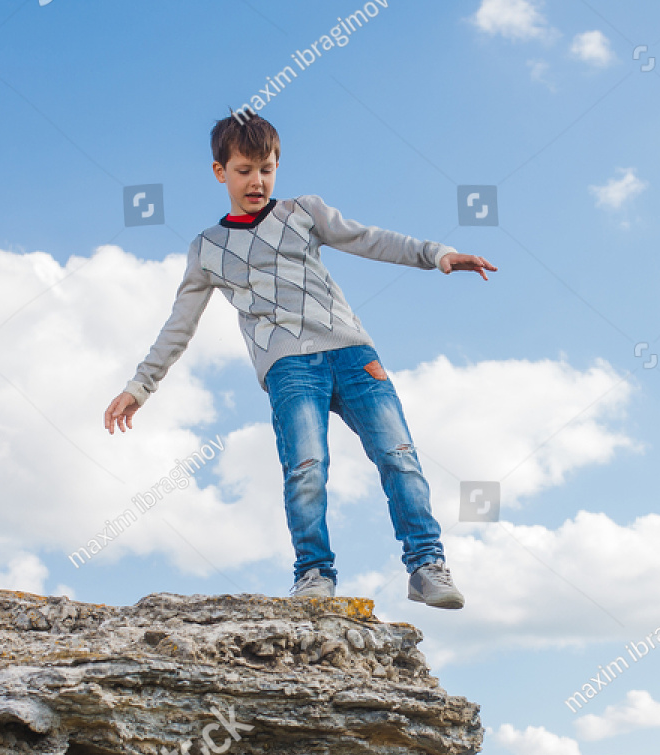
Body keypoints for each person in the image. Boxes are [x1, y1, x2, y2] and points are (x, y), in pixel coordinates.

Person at [104, 112, 495, 608]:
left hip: (353, 353)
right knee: (305, 468)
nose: (257, 181)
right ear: (219, 171)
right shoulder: (207, 249)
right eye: (244, 170)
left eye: (267, 169)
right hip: (289, 366)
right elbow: (179, 325)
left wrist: (436, 253)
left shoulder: (302, 212)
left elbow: (368, 238)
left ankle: (426, 565)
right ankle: (314, 574)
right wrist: (140, 386)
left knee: (400, 456)